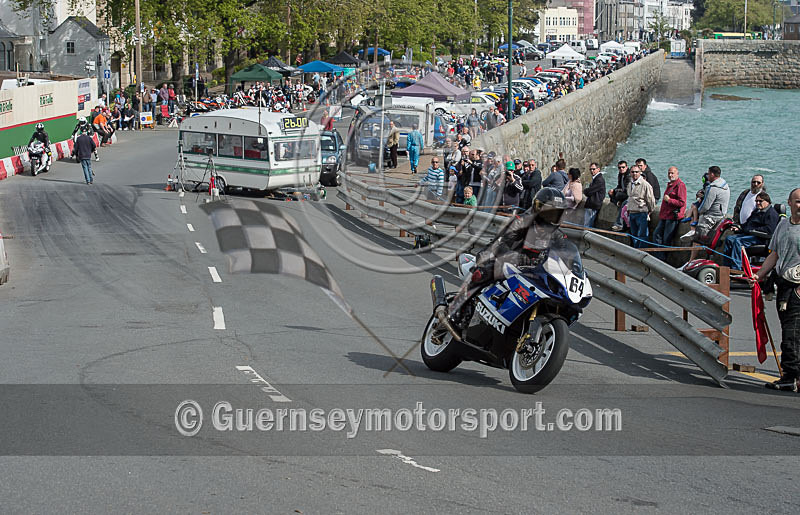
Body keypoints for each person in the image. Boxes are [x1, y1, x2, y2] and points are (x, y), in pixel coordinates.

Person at [436, 187, 569, 339]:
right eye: (549, 212)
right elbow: (502, 242)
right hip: (504, 258)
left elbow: (565, 256)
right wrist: (516, 256)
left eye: (556, 214)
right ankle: (456, 310)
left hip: (533, 271)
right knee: (483, 272)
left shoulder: (558, 236)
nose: (552, 218)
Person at [751, 188, 800, 391]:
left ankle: (792, 377)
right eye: (797, 201)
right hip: (784, 285)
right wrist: (759, 275)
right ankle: (791, 376)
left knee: (793, 333)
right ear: (789, 203)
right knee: (788, 332)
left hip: (797, 287)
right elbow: (775, 254)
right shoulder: (782, 226)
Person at [723, 192, 779, 270]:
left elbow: (770, 230)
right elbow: (748, 224)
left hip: (762, 238)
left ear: (767, 202)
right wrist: (739, 228)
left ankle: (736, 269)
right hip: (751, 235)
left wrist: (754, 230)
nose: (758, 203)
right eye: (756, 201)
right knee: (729, 239)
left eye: (760, 201)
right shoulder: (757, 211)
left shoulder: (771, 214)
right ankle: (727, 267)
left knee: (738, 241)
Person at [685, 166, 730, 261]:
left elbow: (706, 206)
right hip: (721, 215)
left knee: (697, 239)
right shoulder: (725, 185)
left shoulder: (713, 187)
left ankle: (690, 261)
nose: (708, 175)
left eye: (709, 174)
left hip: (710, 217)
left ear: (712, 174)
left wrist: (697, 211)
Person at [652, 166, 686, 261]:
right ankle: (660, 257)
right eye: (669, 173)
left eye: (672, 173)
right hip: (665, 215)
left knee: (666, 239)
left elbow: (682, 202)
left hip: (672, 217)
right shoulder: (671, 184)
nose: (670, 175)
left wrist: (669, 200)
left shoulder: (680, 185)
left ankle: (662, 259)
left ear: (677, 174)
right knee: (657, 235)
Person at [626, 165, 656, 249]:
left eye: (636, 172)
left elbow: (650, 200)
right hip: (632, 212)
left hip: (641, 212)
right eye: (632, 172)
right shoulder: (629, 184)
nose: (634, 174)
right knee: (634, 234)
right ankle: (636, 250)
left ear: (640, 173)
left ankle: (642, 251)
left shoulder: (645, 185)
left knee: (642, 235)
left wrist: (650, 210)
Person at [609, 160, 631, 231]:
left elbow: (626, 189)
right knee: (610, 193)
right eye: (619, 167)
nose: (621, 169)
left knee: (618, 196)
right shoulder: (620, 175)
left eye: (623, 167)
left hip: (627, 194)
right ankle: (618, 202)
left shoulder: (629, 176)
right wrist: (614, 190)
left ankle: (619, 224)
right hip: (623, 193)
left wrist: (615, 191)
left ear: (626, 167)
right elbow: (619, 186)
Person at [583, 162, 606, 228]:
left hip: (593, 204)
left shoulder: (599, 179)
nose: (591, 171)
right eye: (590, 169)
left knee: (588, 223)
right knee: (588, 223)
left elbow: (589, 191)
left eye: (593, 169)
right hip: (592, 204)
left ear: (598, 169)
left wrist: (585, 190)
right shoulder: (597, 178)